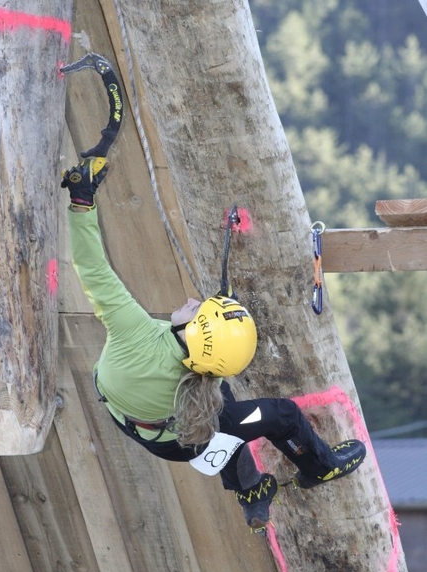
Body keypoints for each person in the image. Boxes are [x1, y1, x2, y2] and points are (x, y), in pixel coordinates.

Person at [61, 158, 366, 533]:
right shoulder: (205, 370)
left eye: (197, 309)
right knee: (272, 415)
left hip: (141, 426)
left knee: (226, 408)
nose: (192, 301)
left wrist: (82, 200)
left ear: (194, 330)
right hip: (186, 433)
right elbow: (218, 358)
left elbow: (91, 266)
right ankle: (318, 467)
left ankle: (254, 489)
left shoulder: (133, 330)